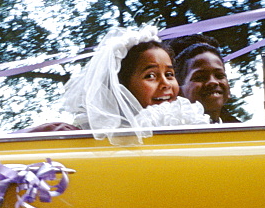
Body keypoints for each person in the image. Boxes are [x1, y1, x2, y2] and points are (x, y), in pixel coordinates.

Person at [60, 25, 209, 142]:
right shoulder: (81, 139)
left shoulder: (192, 124)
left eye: (169, 74)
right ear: (121, 87)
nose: (166, 84)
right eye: (150, 76)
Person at [171, 34, 237, 123]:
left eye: (219, 76)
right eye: (200, 77)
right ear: (178, 89)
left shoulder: (245, 133)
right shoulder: (168, 131)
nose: (213, 82)